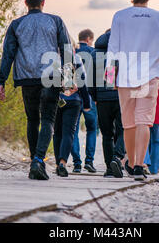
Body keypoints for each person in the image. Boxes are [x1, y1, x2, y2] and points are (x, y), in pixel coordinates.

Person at [0, 0, 74, 181]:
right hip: (51, 76)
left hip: (27, 77)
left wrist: (1, 80)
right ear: (43, 2)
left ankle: (34, 161)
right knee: (48, 120)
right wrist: (70, 78)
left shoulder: (17, 24)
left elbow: (8, 54)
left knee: (32, 120)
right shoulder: (55, 21)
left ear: (26, 3)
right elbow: (66, 49)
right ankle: (38, 160)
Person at [107, 0, 159, 181]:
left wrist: (110, 79)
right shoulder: (158, 17)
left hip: (126, 77)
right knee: (144, 121)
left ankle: (129, 162)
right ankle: (138, 165)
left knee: (128, 123)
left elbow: (112, 50)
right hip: (148, 76)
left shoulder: (119, 16)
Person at [89, 29, 126, 178]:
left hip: (102, 99)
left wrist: (95, 97)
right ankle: (117, 157)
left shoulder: (94, 54)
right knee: (122, 130)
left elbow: (90, 81)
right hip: (121, 97)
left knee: (106, 135)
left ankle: (109, 169)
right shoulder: (123, 53)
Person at [53, 44, 91, 177]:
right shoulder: (77, 58)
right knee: (68, 133)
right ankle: (63, 162)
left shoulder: (53, 59)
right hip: (74, 101)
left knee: (57, 132)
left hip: (56, 100)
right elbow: (82, 81)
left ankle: (58, 164)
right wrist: (86, 102)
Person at [71, 29, 98, 173]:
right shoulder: (94, 53)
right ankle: (89, 161)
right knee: (92, 129)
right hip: (89, 97)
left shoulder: (72, 52)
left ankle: (76, 163)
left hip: (72, 96)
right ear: (89, 39)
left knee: (73, 130)